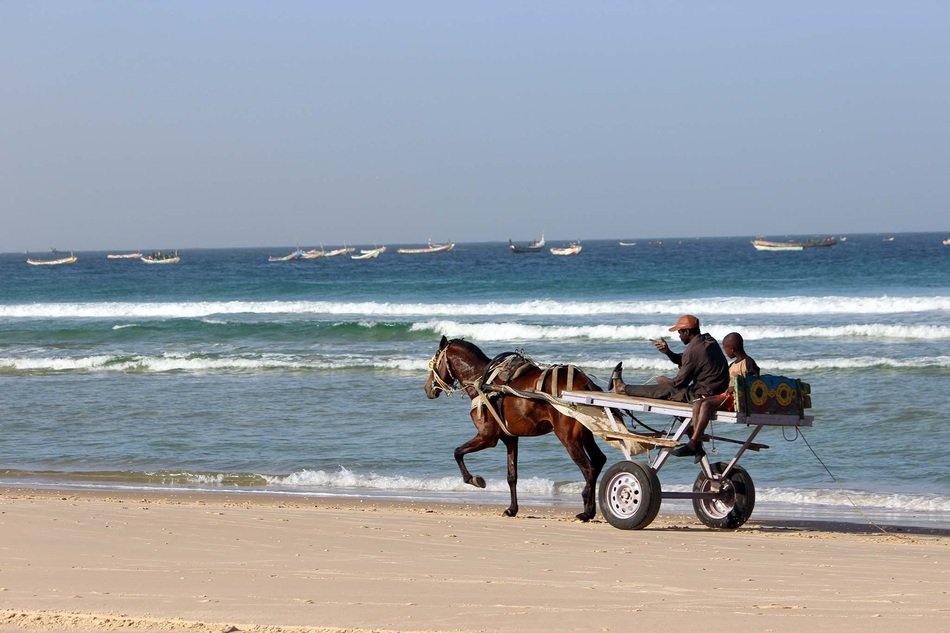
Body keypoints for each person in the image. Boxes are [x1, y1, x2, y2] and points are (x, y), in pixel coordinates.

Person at [670, 332, 760, 459]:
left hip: (738, 401)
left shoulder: (748, 362)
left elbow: (756, 384)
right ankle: (697, 445)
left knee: (706, 404)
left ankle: (693, 443)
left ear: (732, 349)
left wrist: (735, 388)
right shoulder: (732, 365)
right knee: (697, 403)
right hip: (727, 397)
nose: (725, 352)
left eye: (725, 349)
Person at [610, 314, 729, 404]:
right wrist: (667, 352)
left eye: (680, 332)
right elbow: (687, 360)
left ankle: (622, 388)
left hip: (704, 396)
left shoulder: (693, 350)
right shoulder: (708, 340)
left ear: (687, 331)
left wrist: (664, 380)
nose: (679, 335)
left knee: (665, 389)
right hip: (717, 391)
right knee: (672, 389)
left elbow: (678, 383)